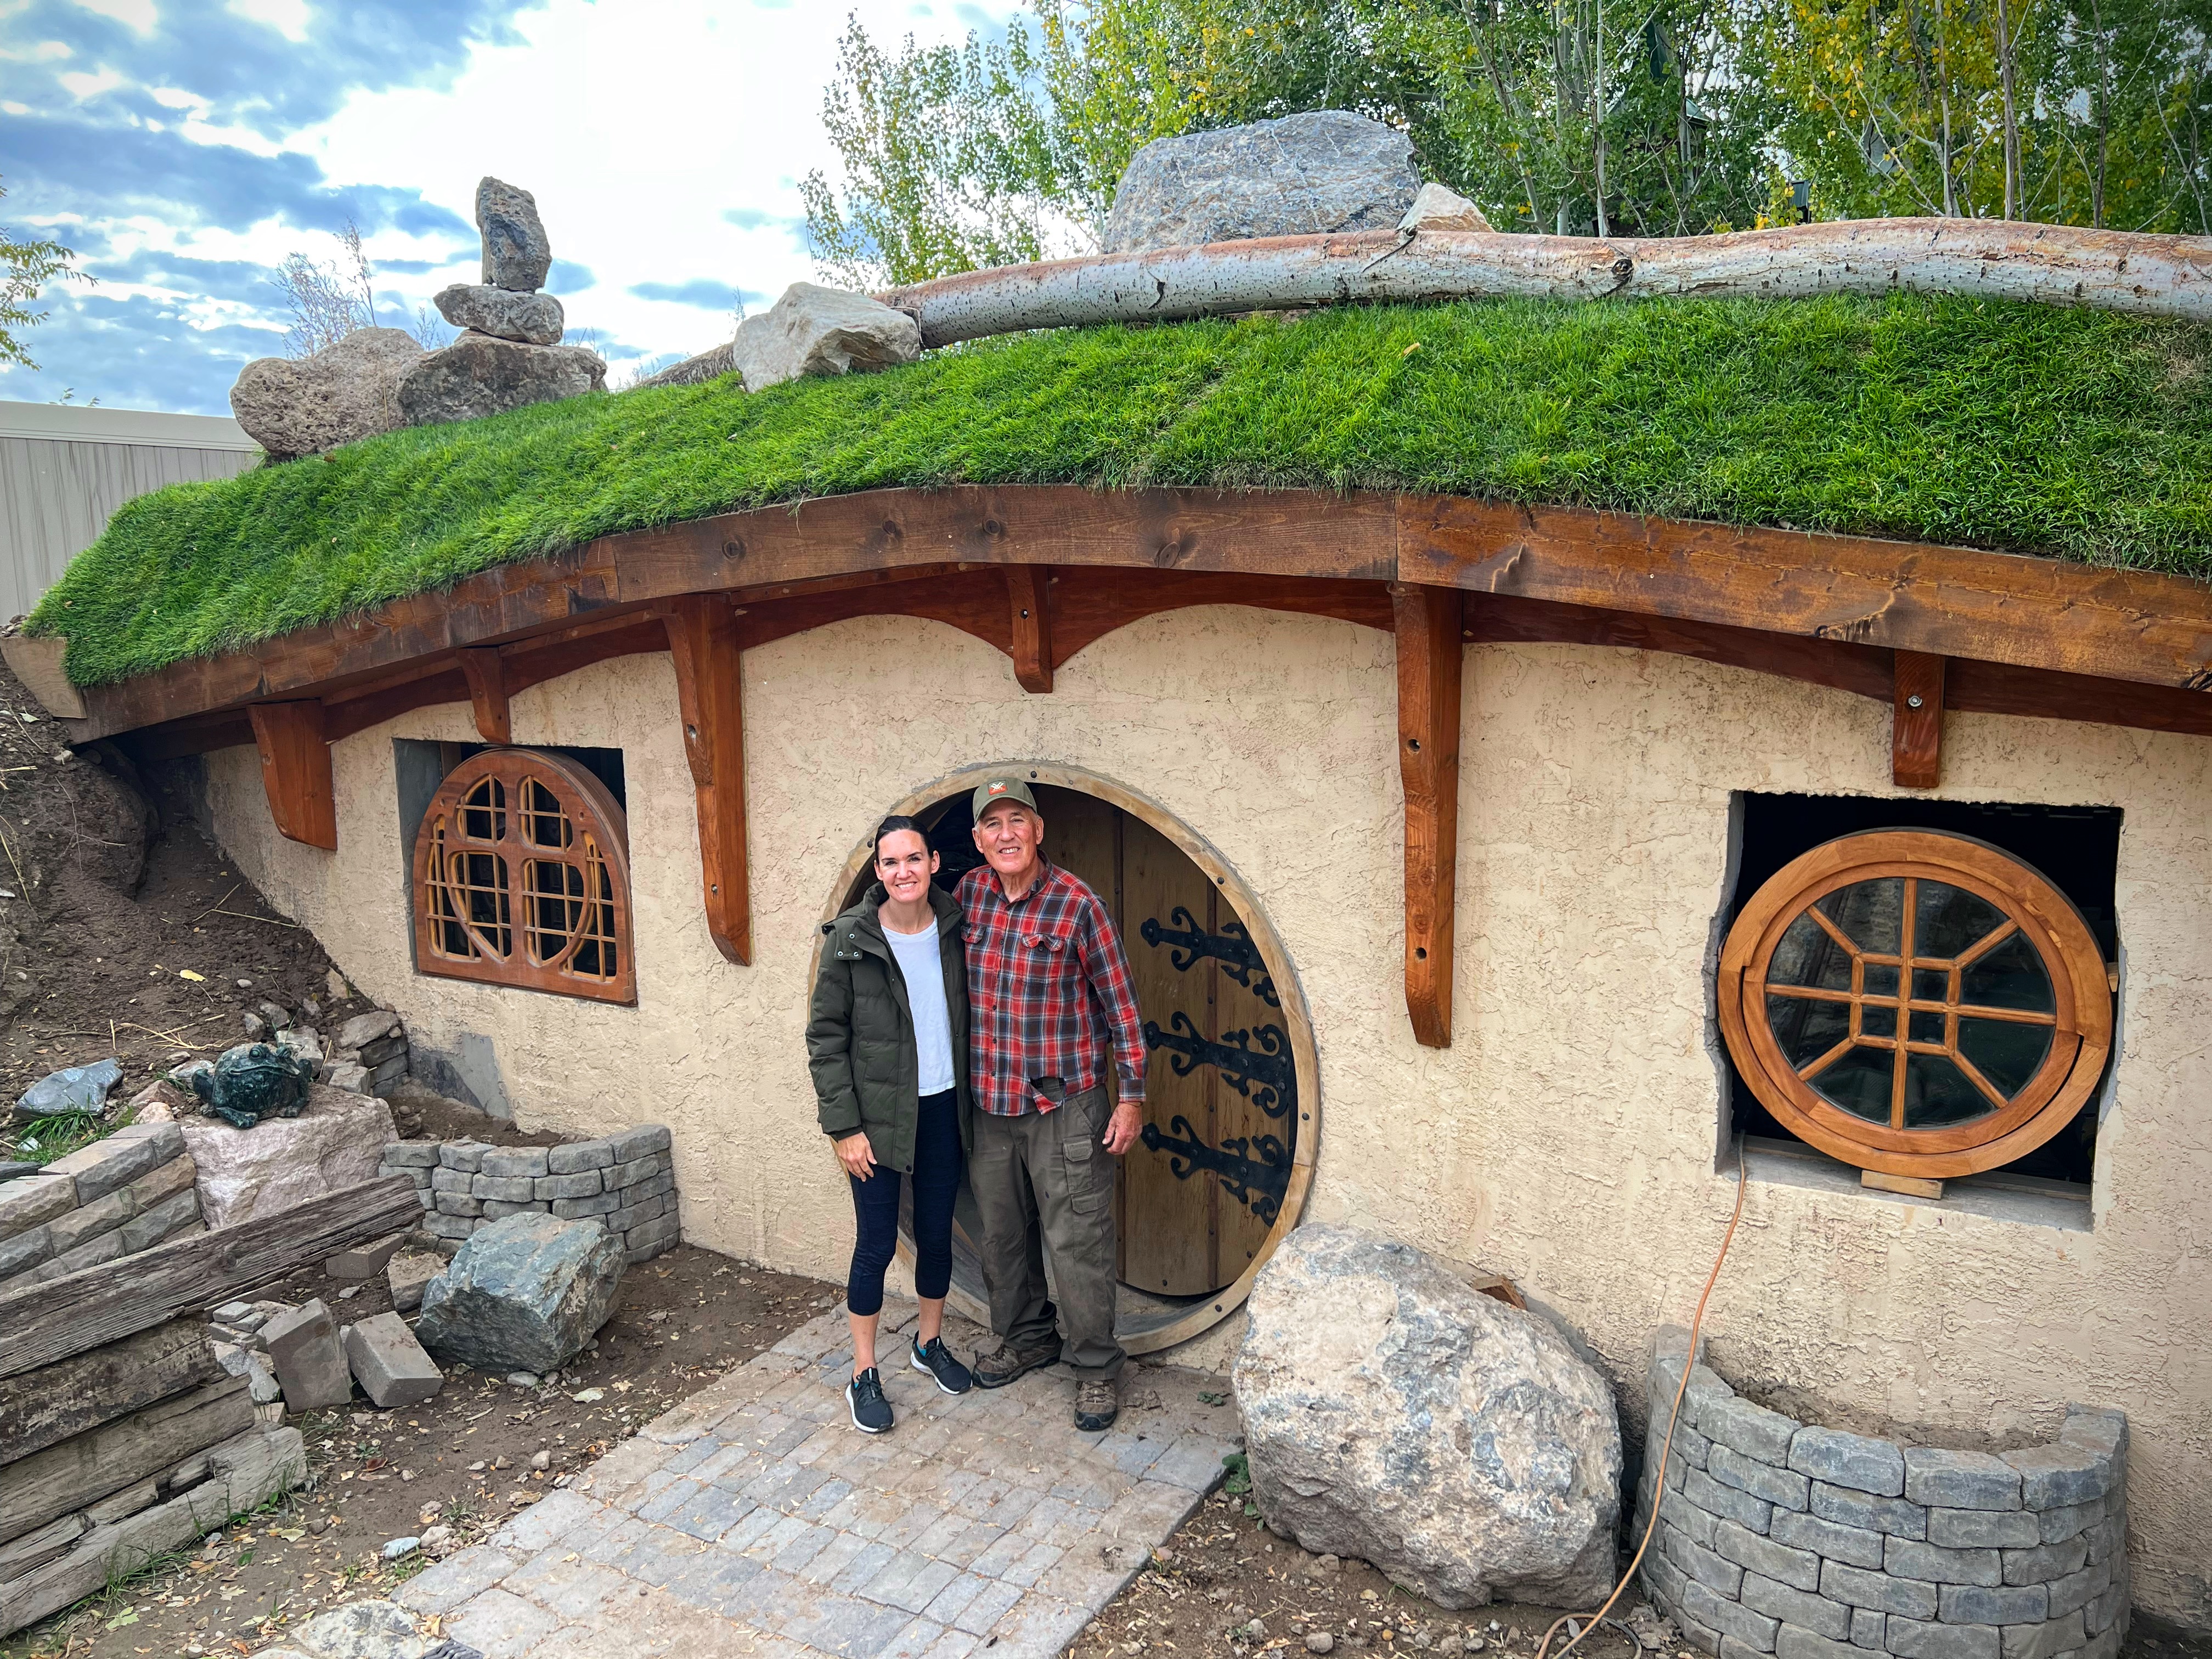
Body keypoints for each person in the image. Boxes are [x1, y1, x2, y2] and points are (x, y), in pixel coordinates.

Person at [956, 777, 1147, 1431]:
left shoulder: (1077, 905)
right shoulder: (969, 896)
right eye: (993, 825)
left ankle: (1095, 1368)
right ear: (977, 841)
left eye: (1017, 820)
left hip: (1065, 1108)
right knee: (1003, 1238)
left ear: (1039, 831)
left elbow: (1122, 1010)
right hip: (990, 1107)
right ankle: (1028, 1338)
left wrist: (1132, 1100)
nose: (1006, 834)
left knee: (1078, 1242)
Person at [806, 815, 976, 1434]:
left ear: (933, 863)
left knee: (936, 1235)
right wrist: (844, 1128)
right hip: (875, 1120)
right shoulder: (852, 939)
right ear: (877, 873)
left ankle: (928, 1344)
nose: (903, 871)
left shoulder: (956, 928)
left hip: (943, 1108)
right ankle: (863, 1370)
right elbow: (826, 1039)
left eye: (914, 859)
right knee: (877, 1244)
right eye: (890, 862)